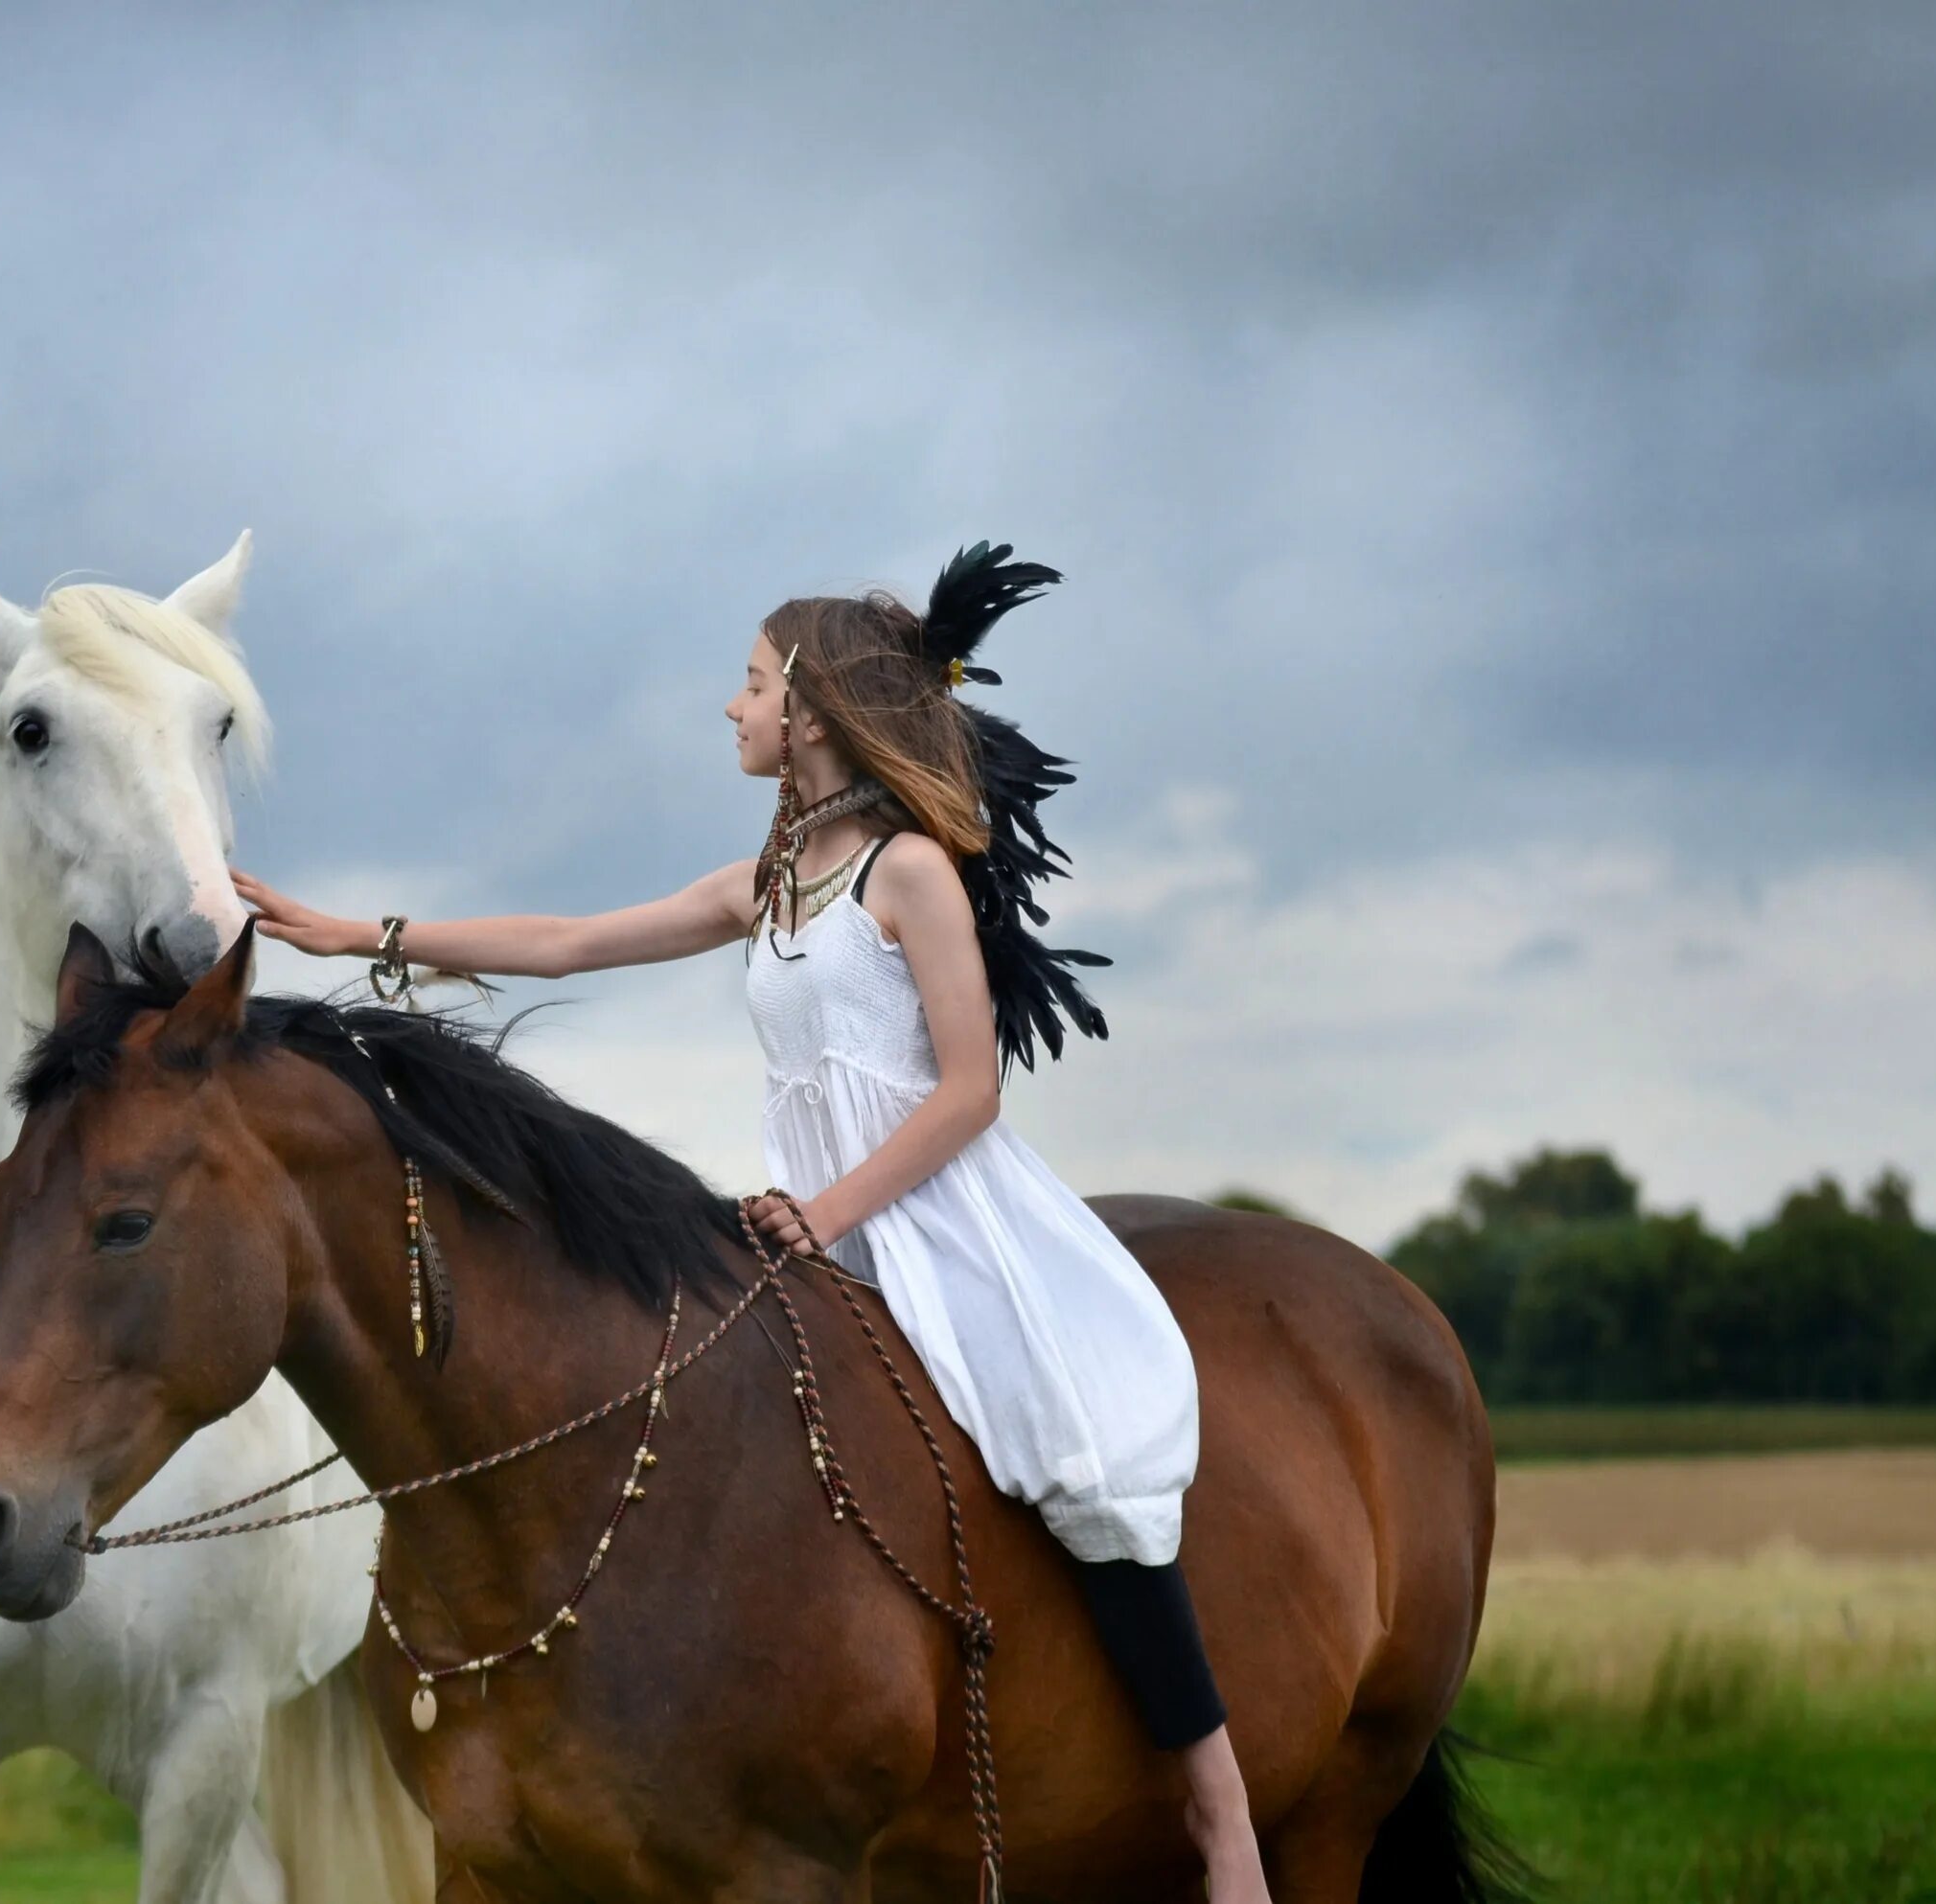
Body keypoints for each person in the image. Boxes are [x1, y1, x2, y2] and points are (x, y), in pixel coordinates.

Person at [230, 544, 1270, 1903]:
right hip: (802, 1228)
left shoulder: (910, 877)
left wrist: (828, 1210)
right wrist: (356, 932)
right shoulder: (769, 880)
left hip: (937, 1217)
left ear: (817, 713)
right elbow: (570, 941)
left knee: (1079, 1455)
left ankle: (1217, 1813)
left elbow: (969, 1092)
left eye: (751, 683)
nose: (733, 708)